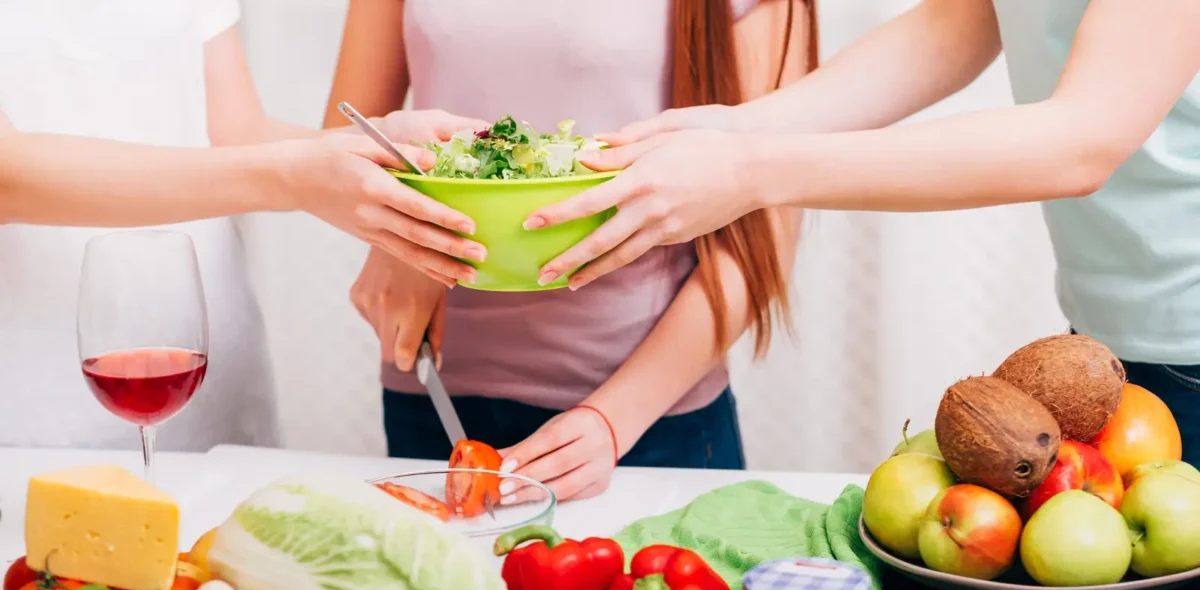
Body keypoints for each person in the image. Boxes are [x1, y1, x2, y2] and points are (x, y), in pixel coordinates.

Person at [525, 0, 1200, 465]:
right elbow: (963, 20)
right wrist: (745, 125)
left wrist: (750, 169)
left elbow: (1082, 142)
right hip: (1110, 336)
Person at [326, 0, 816, 501]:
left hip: (647, 420)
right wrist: (398, 227)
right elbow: (340, 150)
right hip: (432, 392)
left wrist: (613, 420)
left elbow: (761, 238)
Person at [0, 0, 481, 450]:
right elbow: (8, 177)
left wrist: (372, 149)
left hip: (204, 378)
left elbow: (235, 132)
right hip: (43, 403)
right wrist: (297, 175)